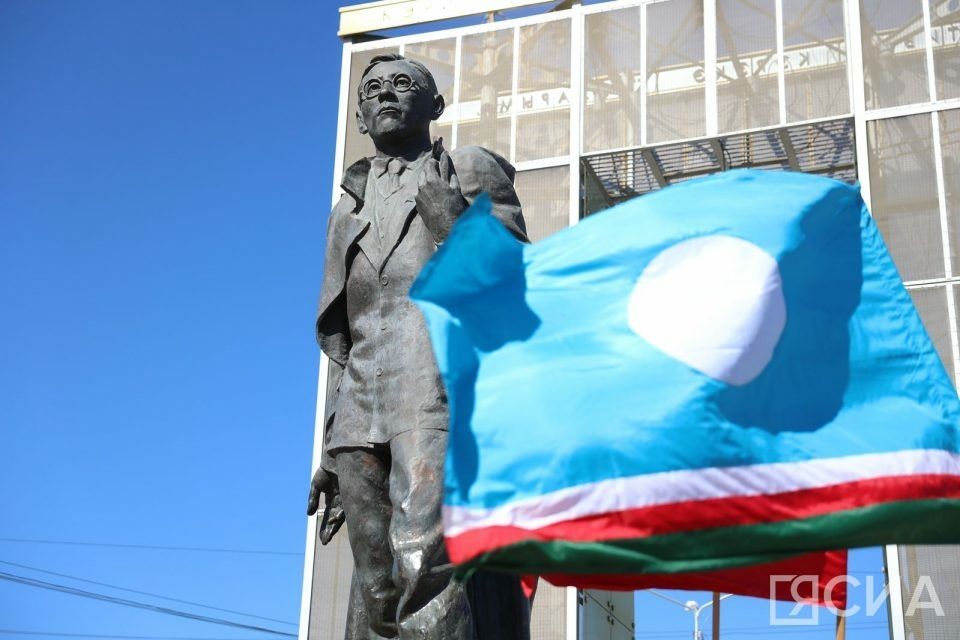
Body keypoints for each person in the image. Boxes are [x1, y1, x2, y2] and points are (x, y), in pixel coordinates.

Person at [306, 53, 530, 639]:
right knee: (375, 585)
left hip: (435, 391)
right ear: (359, 116)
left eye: (403, 84)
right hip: (360, 409)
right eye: (373, 89)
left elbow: (513, 281)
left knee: (424, 563)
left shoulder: (469, 168)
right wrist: (331, 450)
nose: (386, 94)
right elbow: (347, 334)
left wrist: (452, 220)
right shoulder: (346, 208)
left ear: (435, 106)